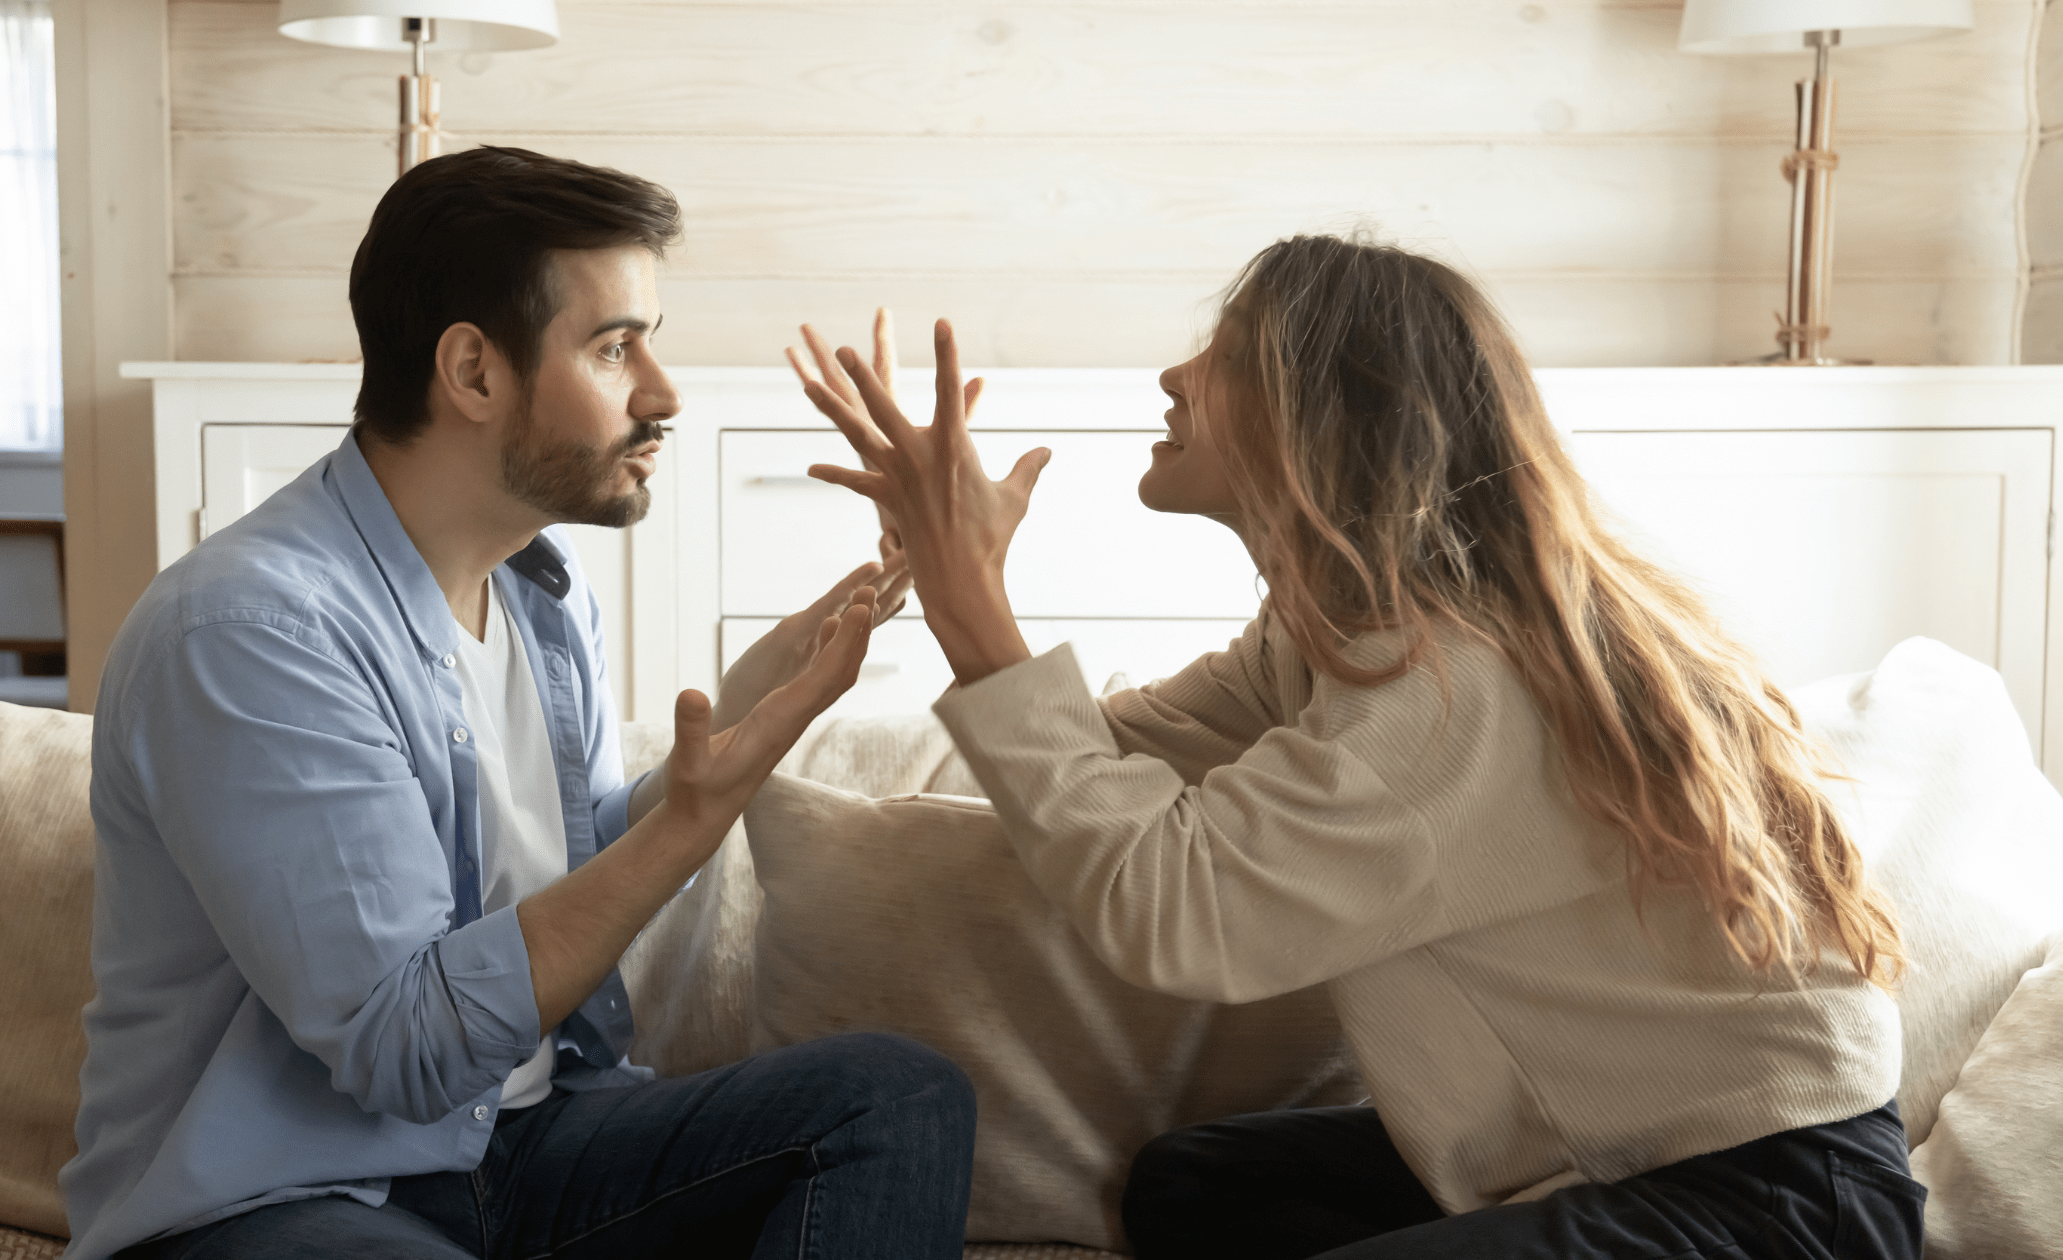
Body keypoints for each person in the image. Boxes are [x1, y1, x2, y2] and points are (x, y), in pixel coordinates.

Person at [789, 233, 1922, 1259]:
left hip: (1773, 1198)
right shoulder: (1339, 639)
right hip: (1610, 1154)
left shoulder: (1455, 687)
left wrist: (971, 599)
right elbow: (1090, 763)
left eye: (1219, 356)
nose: (1172, 379)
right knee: (1193, 1191)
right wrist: (935, 581)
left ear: (1320, 413)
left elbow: (1177, 911)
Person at [62, 146, 976, 1260]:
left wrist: (744, 724)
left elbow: (577, 878)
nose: (662, 393)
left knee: (894, 1099)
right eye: (613, 346)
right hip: (300, 1198)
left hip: (522, 1142)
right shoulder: (252, 633)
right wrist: (695, 819)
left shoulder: (542, 595)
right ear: (474, 373)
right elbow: (407, 1052)